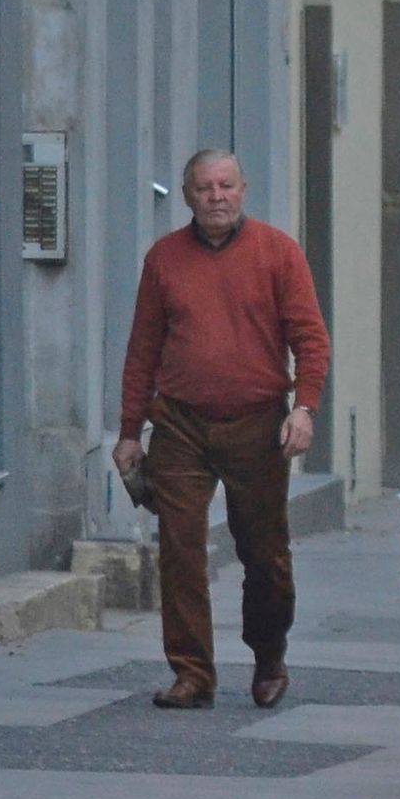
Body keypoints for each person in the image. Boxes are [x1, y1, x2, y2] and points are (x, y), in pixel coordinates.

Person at [116, 149, 331, 710]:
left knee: (265, 554)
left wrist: (303, 408)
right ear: (187, 195)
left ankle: (268, 654)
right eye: (205, 187)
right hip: (180, 426)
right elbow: (142, 351)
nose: (216, 196)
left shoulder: (278, 253)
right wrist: (129, 433)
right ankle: (192, 673)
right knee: (180, 549)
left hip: (257, 424)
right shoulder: (164, 260)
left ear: (243, 190)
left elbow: (310, 339)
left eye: (226, 186)